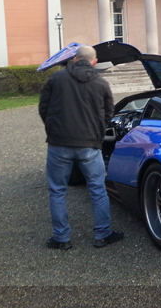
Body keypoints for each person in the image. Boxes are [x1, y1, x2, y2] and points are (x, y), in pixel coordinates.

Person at [39, 45, 123, 250]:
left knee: (57, 191)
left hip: (59, 144)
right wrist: (97, 134)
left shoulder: (56, 79)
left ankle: (61, 238)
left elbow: (44, 108)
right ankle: (103, 234)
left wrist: (53, 130)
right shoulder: (101, 83)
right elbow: (108, 112)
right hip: (89, 145)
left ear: (75, 59)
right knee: (97, 189)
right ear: (94, 62)